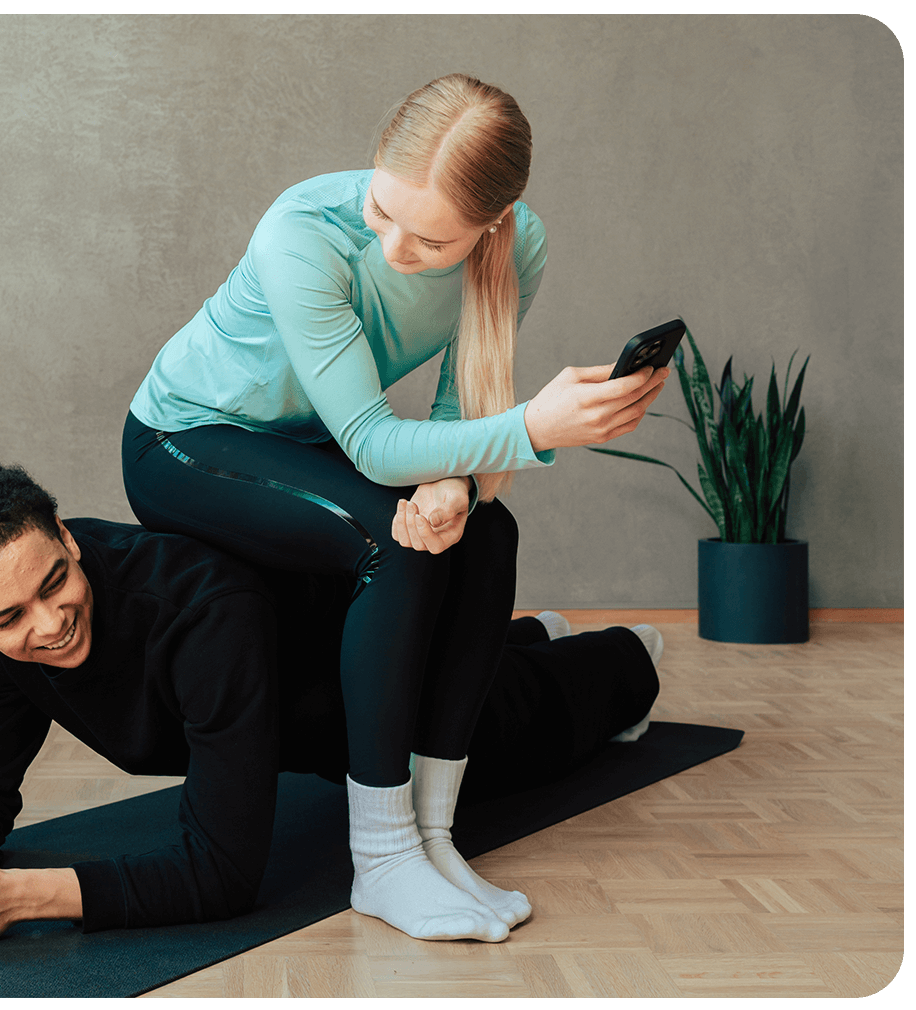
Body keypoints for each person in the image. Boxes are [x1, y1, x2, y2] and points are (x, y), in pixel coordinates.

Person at [121, 74, 669, 941]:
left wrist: (451, 487)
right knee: (394, 539)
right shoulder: (302, 234)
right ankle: (379, 859)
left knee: (486, 531)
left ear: (492, 223)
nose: (394, 247)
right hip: (186, 440)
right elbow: (377, 445)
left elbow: (460, 402)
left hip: (310, 440)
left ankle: (433, 837)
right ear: (374, 168)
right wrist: (535, 426)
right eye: (383, 210)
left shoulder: (517, 245)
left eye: (430, 238)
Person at [0, 461, 661, 947]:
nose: (49, 620)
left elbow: (221, 875)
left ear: (66, 538)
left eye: (55, 581)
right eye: (5, 620)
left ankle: (626, 653)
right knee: (496, 677)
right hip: (281, 696)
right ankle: (522, 637)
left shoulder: (201, 608)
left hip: (370, 709)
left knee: (525, 728)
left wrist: (20, 897)